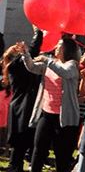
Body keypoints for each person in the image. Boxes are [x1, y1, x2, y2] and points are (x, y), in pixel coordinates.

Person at [20, 36, 80, 172]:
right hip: (46, 114)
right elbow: (32, 67)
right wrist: (26, 54)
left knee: (61, 154)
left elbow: (64, 73)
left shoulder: (72, 65)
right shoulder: (51, 62)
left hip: (63, 118)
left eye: (60, 45)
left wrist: (47, 60)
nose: (56, 47)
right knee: (38, 148)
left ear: (66, 49)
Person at [3, 28, 42, 172]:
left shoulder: (11, 66)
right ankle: (15, 165)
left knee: (19, 141)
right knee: (22, 139)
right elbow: (34, 48)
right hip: (24, 105)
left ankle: (15, 165)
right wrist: (38, 32)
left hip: (18, 105)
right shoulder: (17, 64)